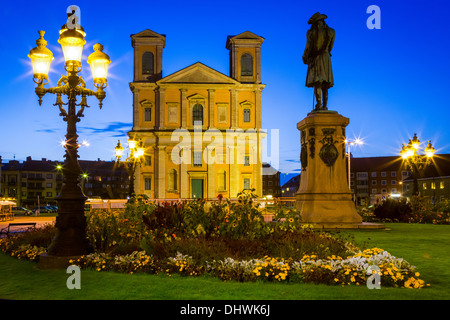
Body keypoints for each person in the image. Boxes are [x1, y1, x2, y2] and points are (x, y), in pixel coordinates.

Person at [302, 12, 335, 111]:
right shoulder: (331, 31)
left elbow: (308, 47)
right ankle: (324, 106)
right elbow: (331, 47)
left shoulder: (311, 32)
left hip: (316, 58)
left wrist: (305, 58)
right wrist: (326, 52)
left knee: (318, 83)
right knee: (326, 84)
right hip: (326, 57)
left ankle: (319, 105)